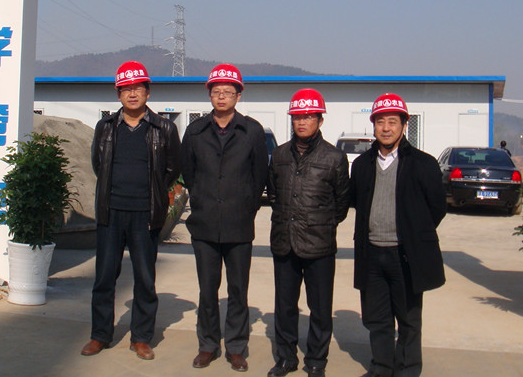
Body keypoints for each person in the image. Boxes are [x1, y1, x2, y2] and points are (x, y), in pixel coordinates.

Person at [81, 61, 181, 360]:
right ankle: (100, 335)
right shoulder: (106, 127)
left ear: (148, 93)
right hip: (111, 212)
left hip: (145, 214)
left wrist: (153, 192)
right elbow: (98, 164)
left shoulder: (164, 128)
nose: (132, 94)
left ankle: (141, 337)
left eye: (138, 88)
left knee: (145, 278)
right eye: (126, 89)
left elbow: (173, 168)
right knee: (104, 277)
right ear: (118, 94)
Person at [349, 93, 446, 377]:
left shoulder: (423, 164)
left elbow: (437, 208)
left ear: (404, 125)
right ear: (373, 125)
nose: (386, 128)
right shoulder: (362, 164)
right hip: (371, 253)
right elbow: (356, 201)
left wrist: (415, 233)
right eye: (380, 122)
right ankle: (381, 367)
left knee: (408, 320)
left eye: (393, 122)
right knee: (377, 319)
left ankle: (407, 370)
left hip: (405, 255)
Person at [181, 63, 269, 372]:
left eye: (228, 92)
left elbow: (259, 176)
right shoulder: (195, 131)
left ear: (238, 95)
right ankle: (207, 345)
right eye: (216, 91)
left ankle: (236, 347)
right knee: (207, 290)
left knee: (237, 290)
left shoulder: (252, 131)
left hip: (239, 224)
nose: (221, 96)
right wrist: (202, 200)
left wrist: (246, 206)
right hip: (204, 224)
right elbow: (189, 173)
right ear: (209, 95)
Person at [266, 89, 351, 377]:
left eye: (308, 117)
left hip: (319, 245)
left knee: (320, 307)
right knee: (285, 306)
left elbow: (341, 204)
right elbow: (274, 195)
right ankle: (286, 358)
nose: (302, 122)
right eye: (297, 117)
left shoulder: (335, 157)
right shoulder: (279, 155)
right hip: (284, 241)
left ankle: (316, 360)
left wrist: (320, 223)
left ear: (320, 120)